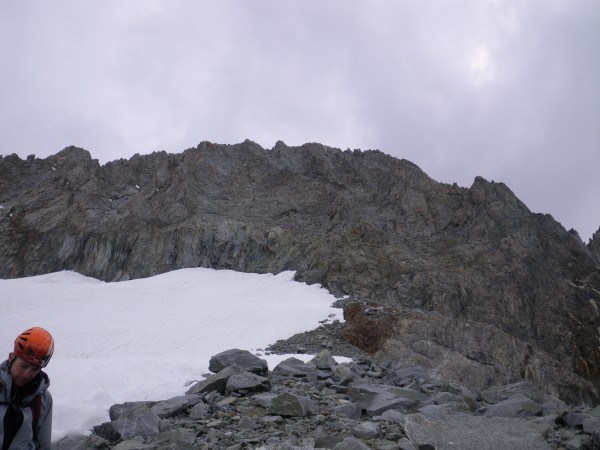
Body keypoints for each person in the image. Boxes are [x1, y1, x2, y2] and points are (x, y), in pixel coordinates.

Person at [0, 327, 54, 450]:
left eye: (34, 369)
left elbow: (43, 444)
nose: (26, 375)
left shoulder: (43, 399)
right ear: (11, 357)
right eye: (23, 366)